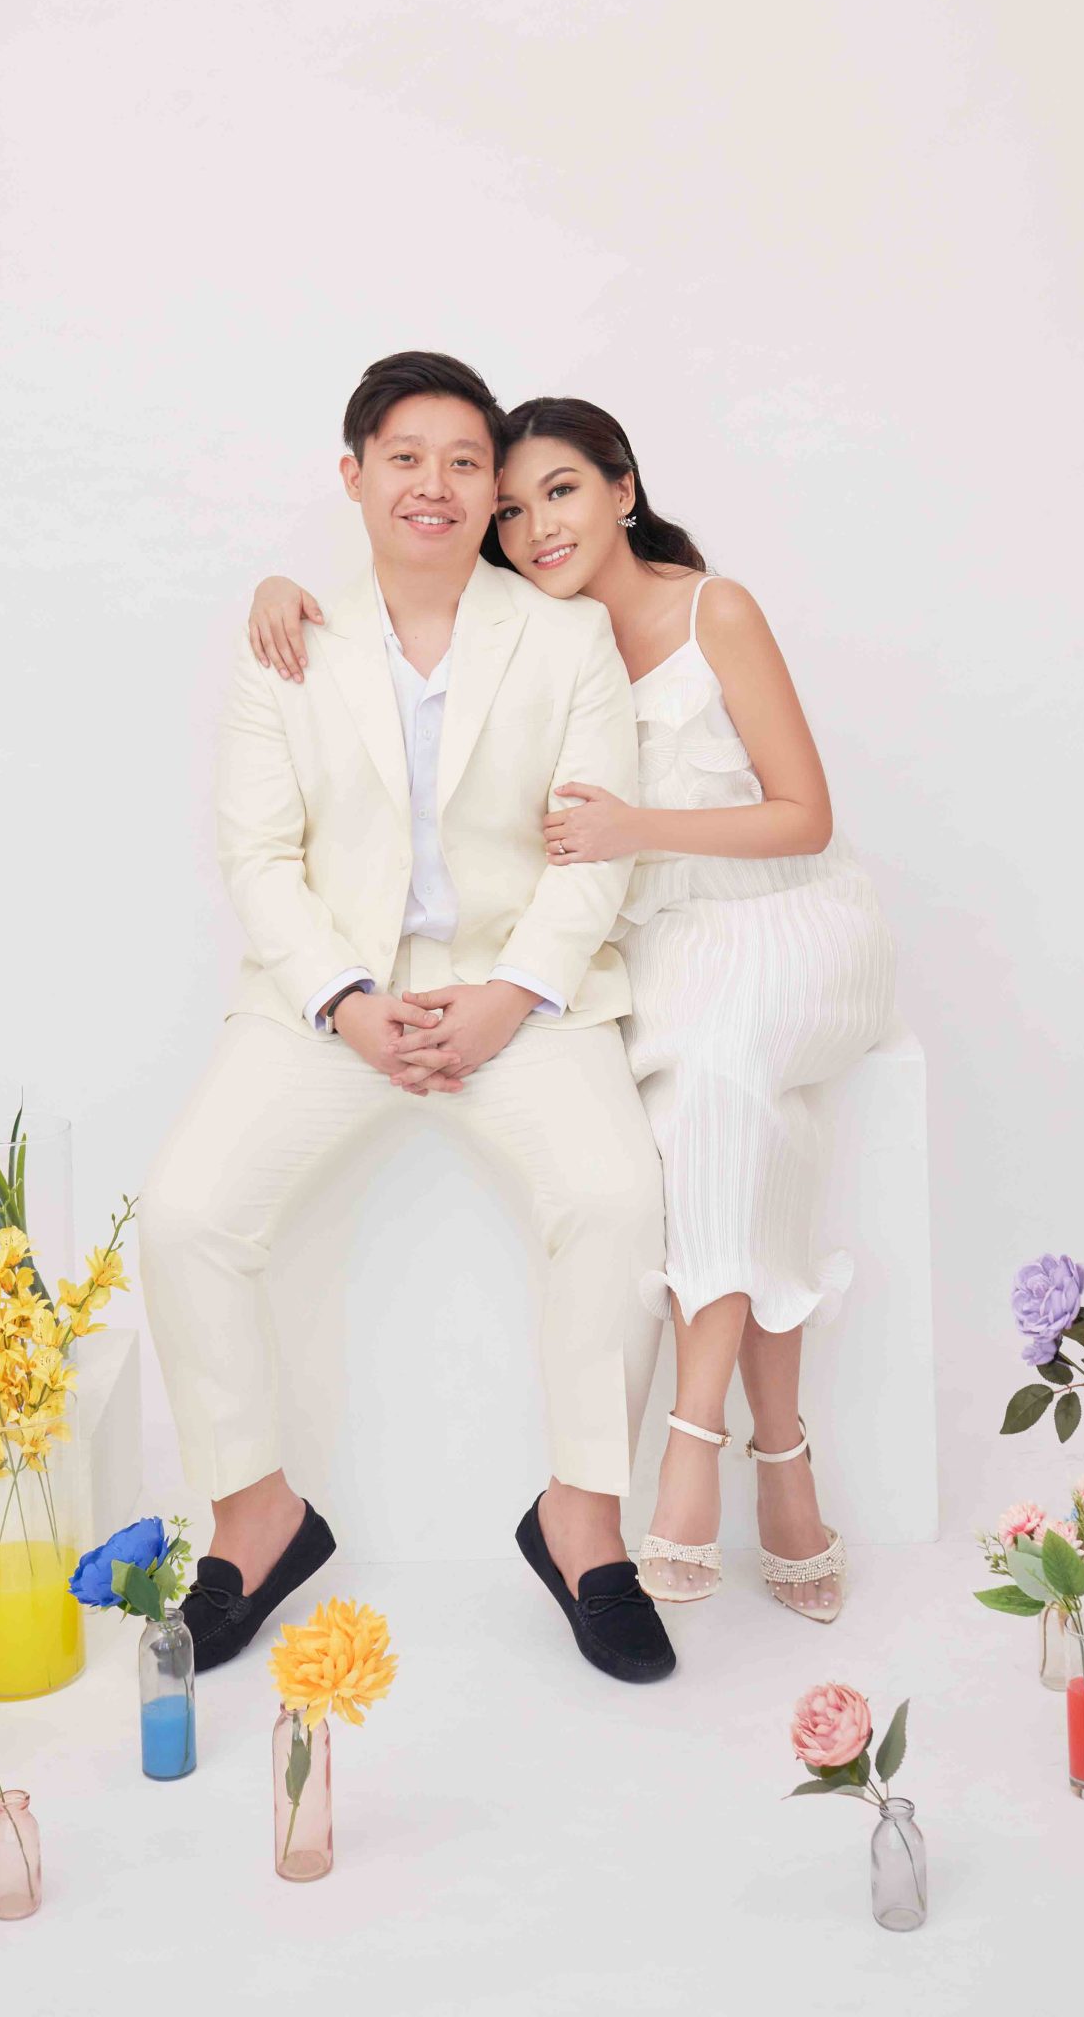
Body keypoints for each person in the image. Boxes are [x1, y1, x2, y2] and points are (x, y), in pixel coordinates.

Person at [249, 394, 894, 1624]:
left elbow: (805, 815)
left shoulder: (714, 610)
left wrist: (636, 826)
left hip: (793, 918)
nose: (535, 526)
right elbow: (392, 616)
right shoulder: (531, 633)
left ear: (622, 489)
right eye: (509, 510)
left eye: (560, 491)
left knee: (718, 1064)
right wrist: (281, 592)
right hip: (667, 940)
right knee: (712, 1105)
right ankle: (784, 1456)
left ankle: (692, 1442)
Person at [142, 353, 675, 1685]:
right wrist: (345, 1000)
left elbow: (592, 854)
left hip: (519, 995)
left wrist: (509, 997)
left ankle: (582, 1525)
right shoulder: (289, 639)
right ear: (354, 476)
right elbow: (258, 855)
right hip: (334, 998)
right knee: (187, 1215)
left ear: (491, 490)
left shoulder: (566, 639)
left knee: (615, 1202)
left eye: (462, 462)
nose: (432, 483)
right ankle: (257, 1517)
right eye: (403, 458)